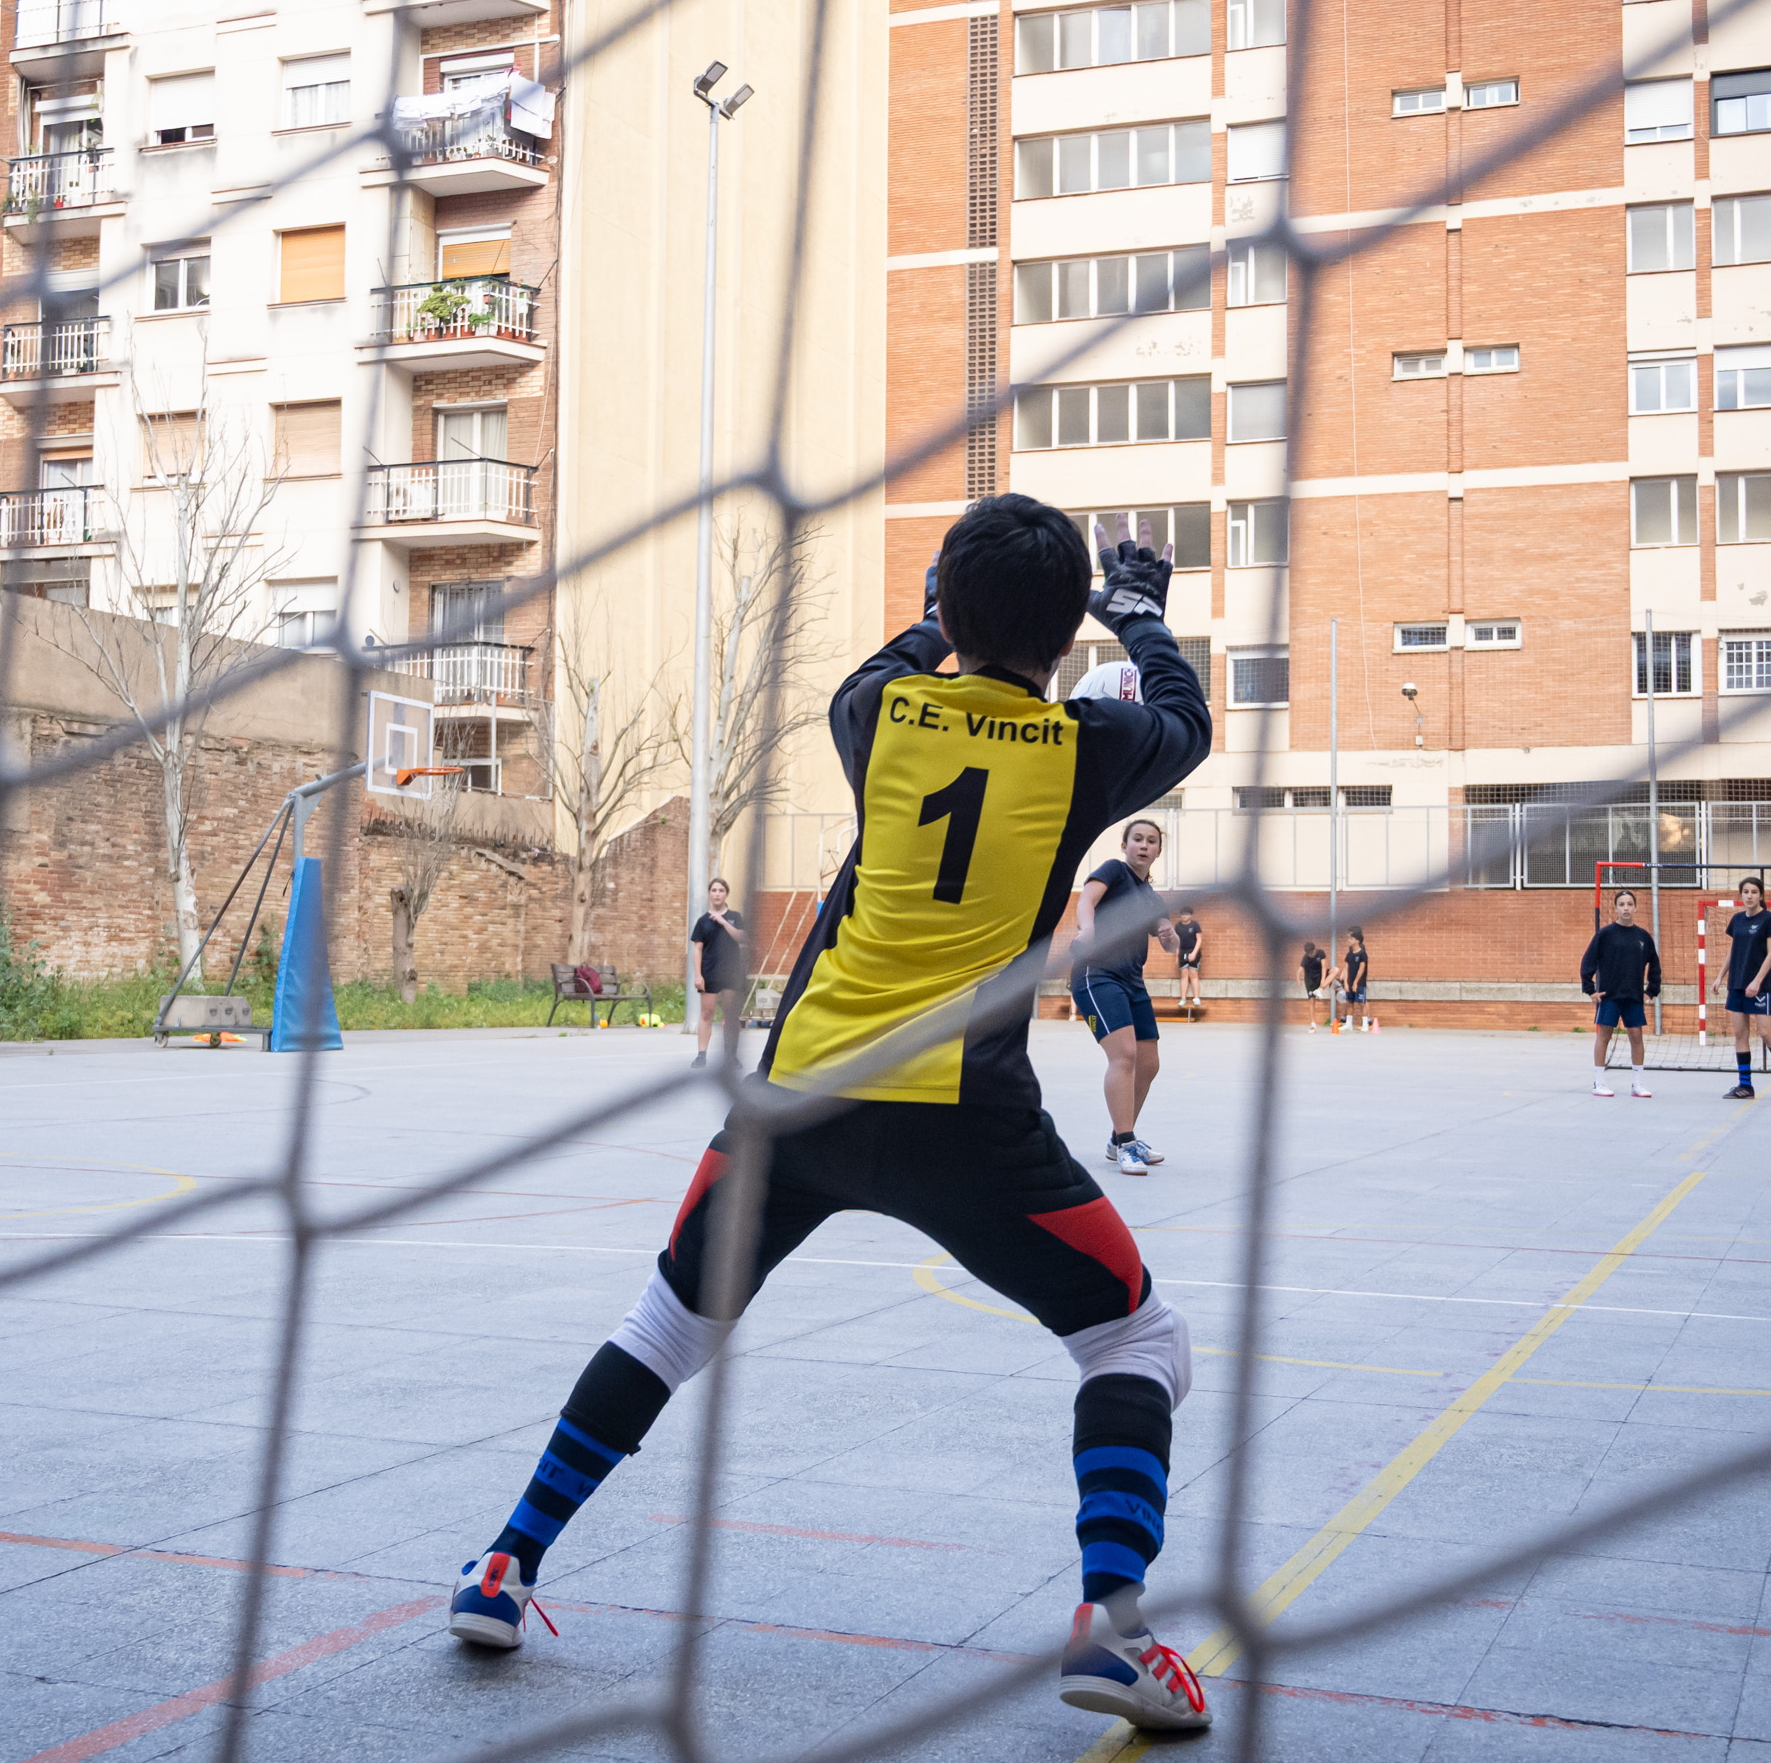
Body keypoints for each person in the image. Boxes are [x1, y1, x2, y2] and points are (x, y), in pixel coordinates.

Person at [447, 496, 1216, 1734]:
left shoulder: (876, 714)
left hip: (795, 1094)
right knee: (1135, 1340)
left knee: (665, 1324)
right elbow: (1184, 717)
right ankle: (1111, 1625)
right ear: (1064, 628)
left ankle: (504, 1564)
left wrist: (944, 609)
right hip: (962, 1111)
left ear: (946, 604)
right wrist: (1136, 613)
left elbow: (901, 656)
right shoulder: (1088, 746)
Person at [1070, 817, 1179, 1174]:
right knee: (1124, 1055)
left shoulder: (1152, 898)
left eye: (1151, 841)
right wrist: (1087, 929)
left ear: (1158, 851)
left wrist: (1171, 936)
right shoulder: (1114, 871)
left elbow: (1168, 939)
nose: (1144, 845)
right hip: (1097, 973)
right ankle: (1127, 1143)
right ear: (1124, 845)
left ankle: (1118, 1139)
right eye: (1137, 839)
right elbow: (1087, 899)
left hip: (1133, 981)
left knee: (1148, 1063)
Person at [1578, 889, 1662, 1098]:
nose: (1626, 908)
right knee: (1604, 1035)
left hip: (1633, 996)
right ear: (1616, 908)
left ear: (1635, 908)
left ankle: (1637, 1084)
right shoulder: (1605, 934)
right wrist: (1590, 989)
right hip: (1609, 995)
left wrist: (1651, 991)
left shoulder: (1643, 937)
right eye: (1622, 904)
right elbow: (1588, 960)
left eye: (1629, 904)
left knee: (1636, 1035)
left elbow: (1654, 964)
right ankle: (1599, 1083)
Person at [1723, 875, 1771, 1100]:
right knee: (1740, 1034)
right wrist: (1720, 976)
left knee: (1766, 1032)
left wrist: (1757, 981)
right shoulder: (1737, 920)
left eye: (1754, 892)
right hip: (1736, 983)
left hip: (1759, 986)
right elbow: (1733, 951)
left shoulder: (1768, 919)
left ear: (1761, 895)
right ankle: (1745, 1086)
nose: (1749, 896)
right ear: (1741, 895)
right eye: (1746, 892)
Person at [688, 878, 747, 1066]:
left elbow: (741, 937)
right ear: (709, 893)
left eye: (721, 890)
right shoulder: (702, 921)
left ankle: (731, 1056)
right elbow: (697, 949)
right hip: (709, 972)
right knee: (706, 1014)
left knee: (731, 1016)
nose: (717, 894)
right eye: (714, 890)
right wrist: (698, 975)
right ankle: (701, 1055)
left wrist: (723, 921)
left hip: (731, 972)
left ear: (726, 894)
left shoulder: (735, 917)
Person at [1170, 906, 1203, 1013]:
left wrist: (1194, 953)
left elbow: (1199, 940)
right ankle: (1183, 999)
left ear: (1190, 915)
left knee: (1193, 974)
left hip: (1193, 952)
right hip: (1182, 952)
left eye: (1187, 914)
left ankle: (1196, 998)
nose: (1184, 916)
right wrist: (1177, 956)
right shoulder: (1178, 926)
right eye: (1183, 914)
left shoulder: (1195, 925)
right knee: (1184, 975)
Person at [1341, 926, 1372, 1032]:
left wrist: (1355, 982)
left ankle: (1365, 1024)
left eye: (1351, 939)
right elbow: (1346, 968)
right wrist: (1346, 983)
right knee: (1350, 1003)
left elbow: (1361, 969)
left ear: (1357, 941)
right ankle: (1348, 1024)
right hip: (1349, 982)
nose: (1348, 940)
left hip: (1360, 983)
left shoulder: (1362, 954)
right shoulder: (1349, 954)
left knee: (1362, 1003)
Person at [1297, 940, 1325, 1026]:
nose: (1310, 955)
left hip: (1319, 976)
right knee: (1311, 1001)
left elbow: (1324, 967)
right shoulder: (1305, 958)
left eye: (1311, 953)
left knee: (1335, 970)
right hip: (1310, 980)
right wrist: (1299, 980)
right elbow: (1299, 970)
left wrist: (1323, 980)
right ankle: (1313, 1023)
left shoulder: (1320, 953)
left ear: (1314, 949)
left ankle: (1319, 990)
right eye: (1308, 954)